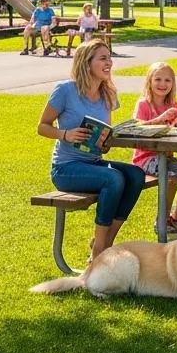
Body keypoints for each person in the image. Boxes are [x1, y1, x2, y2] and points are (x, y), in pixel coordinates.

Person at [37, 39, 144, 260]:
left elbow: (104, 140)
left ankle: (105, 242)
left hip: (93, 163)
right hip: (66, 168)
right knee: (113, 178)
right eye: (103, 58)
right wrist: (65, 134)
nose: (110, 62)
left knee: (135, 174)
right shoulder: (65, 90)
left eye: (109, 57)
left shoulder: (108, 95)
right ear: (87, 63)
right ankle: (98, 253)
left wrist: (104, 143)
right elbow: (42, 126)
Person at [130, 62, 177, 237]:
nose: (162, 84)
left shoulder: (172, 104)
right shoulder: (144, 104)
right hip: (145, 158)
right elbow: (136, 128)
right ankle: (162, 220)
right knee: (172, 179)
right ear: (149, 82)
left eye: (167, 80)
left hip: (166, 157)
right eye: (158, 79)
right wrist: (159, 119)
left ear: (172, 84)